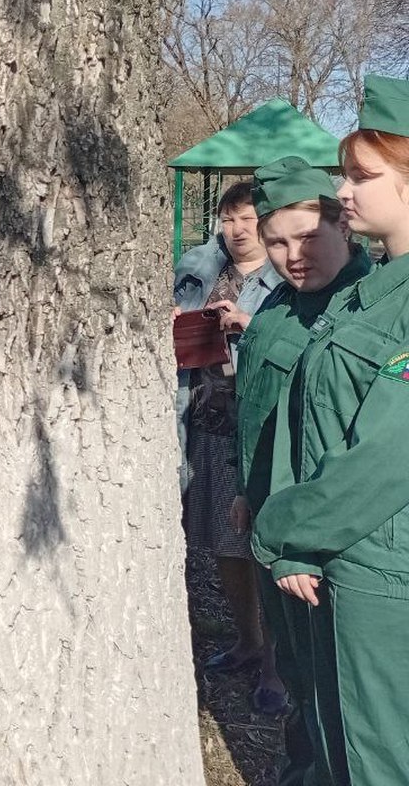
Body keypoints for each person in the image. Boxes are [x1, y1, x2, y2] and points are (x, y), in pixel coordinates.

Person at [252, 75, 409, 784]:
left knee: (380, 759)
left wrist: (286, 529)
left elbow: (386, 454)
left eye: (360, 176)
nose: (343, 191)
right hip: (342, 562)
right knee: (339, 744)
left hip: (379, 566)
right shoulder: (375, 292)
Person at [234, 157, 370, 784]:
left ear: (345, 224)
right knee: (296, 671)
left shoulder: (364, 314)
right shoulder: (278, 307)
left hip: (327, 541)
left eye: (308, 237)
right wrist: (246, 489)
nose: (292, 255)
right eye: (277, 241)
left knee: (337, 684)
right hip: (272, 524)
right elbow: (259, 411)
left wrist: (307, 541)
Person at [173, 181, 284, 706]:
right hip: (207, 429)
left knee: (265, 549)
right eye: (227, 218)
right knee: (224, 546)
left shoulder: (286, 278)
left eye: (246, 218)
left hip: (261, 431)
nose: (236, 229)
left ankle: (277, 668)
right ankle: (247, 641)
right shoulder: (199, 272)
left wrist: (252, 331)